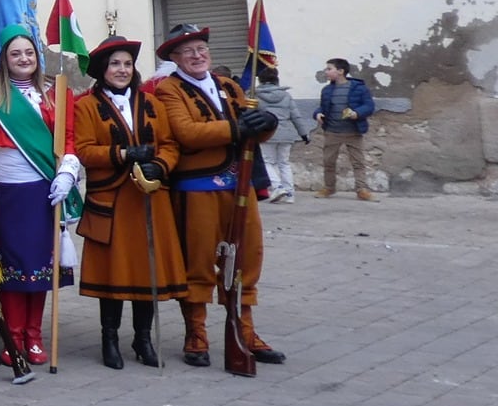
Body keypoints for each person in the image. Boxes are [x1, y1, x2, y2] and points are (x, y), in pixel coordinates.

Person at [149, 24, 285, 368]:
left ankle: (246, 330)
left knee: (246, 258)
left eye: (201, 49)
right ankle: (196, 332)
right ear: (175, 58)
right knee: (197, 262)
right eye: (188, 51)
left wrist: (266, 122)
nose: (197, 55)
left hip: (239, 187)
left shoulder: (228, 86)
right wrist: (236, 129)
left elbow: (252, 128)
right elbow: (187, 132)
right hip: (197, 189)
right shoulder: (169, 90)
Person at [73, 36, 188, 369]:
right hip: (112, 198)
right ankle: (110, 338)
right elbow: (83, 150)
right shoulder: (86, 106)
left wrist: (160, 165)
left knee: (146, 270)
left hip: (149, 199)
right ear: (101, 70)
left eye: (127, 63)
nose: (122, 70)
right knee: (113, 274)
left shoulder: (152, 102)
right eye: (115, 64)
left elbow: (169, 144)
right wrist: (122, 154)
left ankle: (142, 339)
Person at [0, 26, 81, 366]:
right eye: (15, 54)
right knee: (11, 267)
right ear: (4, 59)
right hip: (5, 191)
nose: (24, 59)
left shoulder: (56, 93)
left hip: (43, 189)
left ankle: (34, 335)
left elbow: (67, 138)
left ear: (38, 56)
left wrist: (67, 171)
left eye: (29, 53)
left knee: (40, 266)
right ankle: (13, 335)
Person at [313, 58, 379, 200]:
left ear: (341, 71)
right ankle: (329, 188)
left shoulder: (359, 88)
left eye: (329, 69)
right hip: (332, 131)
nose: (326, 72)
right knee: (328, 162)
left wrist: (357, 113)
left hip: (353, 131)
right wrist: (317, 113)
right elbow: (322, 107)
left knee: (358, 162)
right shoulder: (326, 90)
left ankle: (362, 190)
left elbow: (369, 106)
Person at [251, 69, 308, 203]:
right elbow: (296, 116)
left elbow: (252, 115)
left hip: (267, 132)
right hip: (286, 133)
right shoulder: (286, 96)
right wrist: (304, 134)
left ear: (260, 80)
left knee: (267, 161)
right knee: (284, 163)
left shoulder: (255, 96)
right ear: (277, 79)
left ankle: (277, 186)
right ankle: (290, 194)